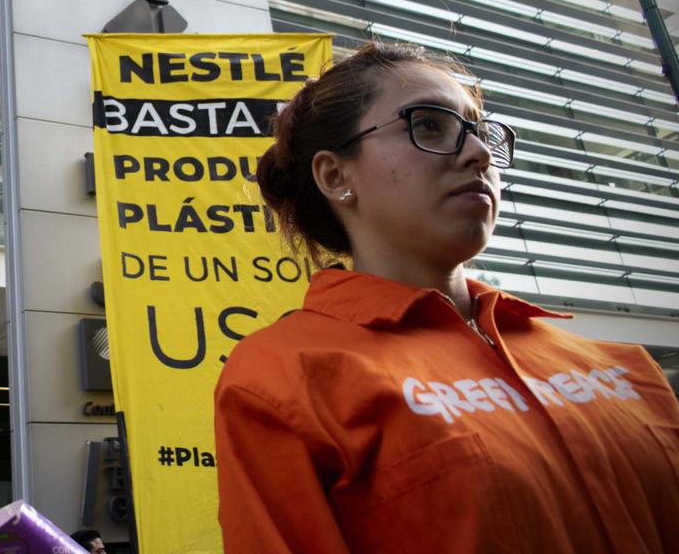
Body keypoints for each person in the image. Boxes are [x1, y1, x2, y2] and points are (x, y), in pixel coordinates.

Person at [215, 42, 679, 553]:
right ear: (335, 175)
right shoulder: (283, 378)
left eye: (480, 133)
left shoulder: (625, 367)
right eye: (429, 125)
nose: (479, 154)